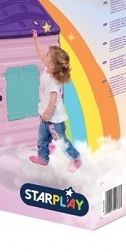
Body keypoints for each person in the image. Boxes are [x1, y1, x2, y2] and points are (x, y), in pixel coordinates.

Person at [30, 30, 82, 173]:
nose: (44, 56)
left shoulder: (53, 81)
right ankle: (43, 157)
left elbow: (53, 100)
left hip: (54, 120)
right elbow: (41, 54)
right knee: (42, 138)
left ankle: (75, 158)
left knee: (61, 141)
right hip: (45, 117)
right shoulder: (48, 69)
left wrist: (47, 113)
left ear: (53, 65)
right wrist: (35, 40)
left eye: (48, 56)